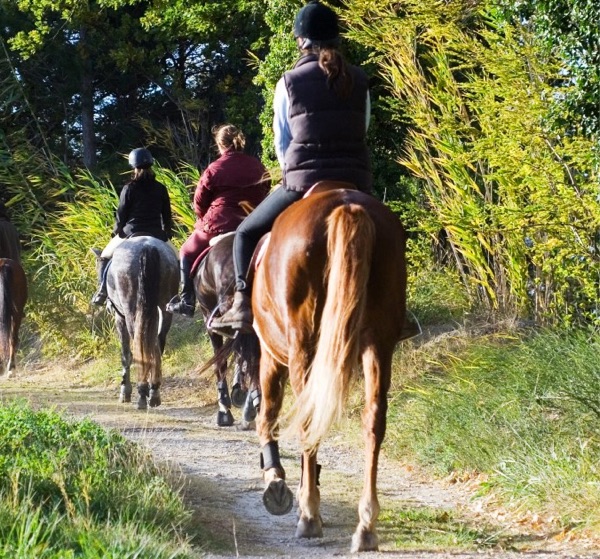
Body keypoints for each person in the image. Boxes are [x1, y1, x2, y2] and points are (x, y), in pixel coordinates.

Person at [211, 0, 371, 334]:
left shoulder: (289, 82)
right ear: (337, 38)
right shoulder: (359, 79)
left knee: (245, 233)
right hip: (355, 182)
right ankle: (396, 313)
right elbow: (364, 128)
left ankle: (241, 307)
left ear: (300, 40)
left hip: (303, 182)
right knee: (390, 233)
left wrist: (291, 175)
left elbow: (282, 142)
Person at [166, 124, 270, 317]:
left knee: (186, 252)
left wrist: (203, 218)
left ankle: (187, 301)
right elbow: (266, 190)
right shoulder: (257, 165)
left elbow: (199, 202)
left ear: (220, 145)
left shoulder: (214, 169)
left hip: (219, 224)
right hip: (254, 221)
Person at [91, 147, 174, 306]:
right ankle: (178, 294)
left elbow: (121, 214)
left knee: (104, 257)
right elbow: (167, 215)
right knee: (176, 259)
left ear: (133, 167)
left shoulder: (129, 188)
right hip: (156, 233)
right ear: (151, 165)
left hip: (131, 231)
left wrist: (116, 232)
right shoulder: (160, 188)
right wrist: (167, 233)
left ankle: (102, 291)